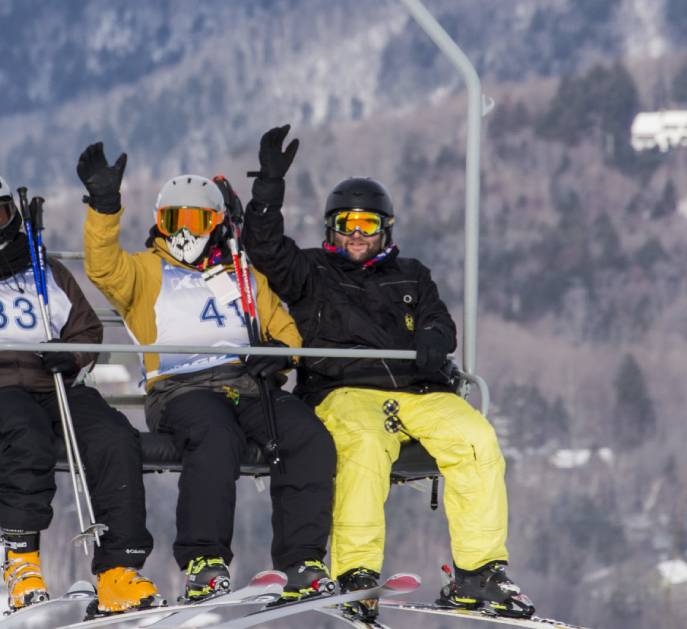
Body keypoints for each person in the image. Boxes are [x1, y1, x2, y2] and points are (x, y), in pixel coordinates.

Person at [240, 126, 535, 620]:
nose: (357, 234)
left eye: (369, 224)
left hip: (419, 389)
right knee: (362, 447)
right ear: (330, 229)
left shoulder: (411, 275)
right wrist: (268, 189)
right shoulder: (309, 271)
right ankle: (357, 572)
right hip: (345, 391)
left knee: (476, 439)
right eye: (347, 223)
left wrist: (433, 343)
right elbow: (263, 248)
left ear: (386, 230)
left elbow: (439, 319)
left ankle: (478, 572)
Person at [75, 141, 338, 604]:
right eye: (173, 221)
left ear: (216, 225)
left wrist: (279, 355)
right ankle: (204, 559)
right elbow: (102, 268)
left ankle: (302, 561)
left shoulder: (242, 273)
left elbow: (286, 329)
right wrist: (104, 208)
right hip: (181, 389)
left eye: (197, 221)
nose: (184, 232)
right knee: (216, 438)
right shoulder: (145, 272)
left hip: (250, 385)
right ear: (159, 223)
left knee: (308, 437)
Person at [0, 141, 161, 615]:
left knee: (114, 437)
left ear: (14, 214)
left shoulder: (44, 268)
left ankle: (118, 571)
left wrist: (71, 357)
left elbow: (84, 328)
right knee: (25, 437)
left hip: (56, 384)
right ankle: (22, 561)